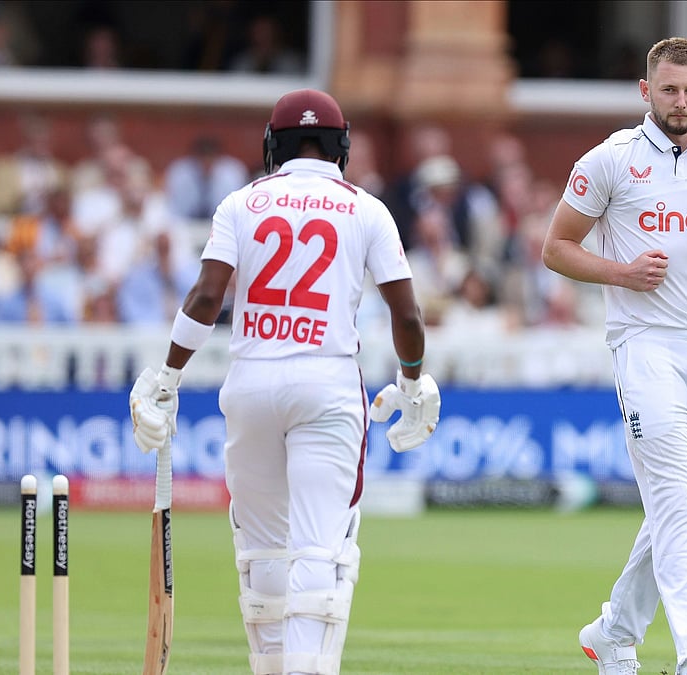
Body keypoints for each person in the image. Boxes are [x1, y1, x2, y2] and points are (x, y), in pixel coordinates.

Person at [127, 89, 441, 675]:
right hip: (327, 384)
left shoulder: (241, 203)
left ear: (272, 145)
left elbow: (205, 297)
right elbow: (408, 315)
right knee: (321, 549)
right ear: (341, 146)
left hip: (251, 381)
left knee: (262, 550)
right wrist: (413, 381)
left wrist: (166, 374)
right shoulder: (367, 208)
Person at [542, 37, 687, 675]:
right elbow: (556, 248)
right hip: (645, 346)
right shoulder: (611, 159)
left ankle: (613, 631)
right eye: (668, 90)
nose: (680, 101)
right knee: (672, 502)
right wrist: (621, 272)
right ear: (646, 91)